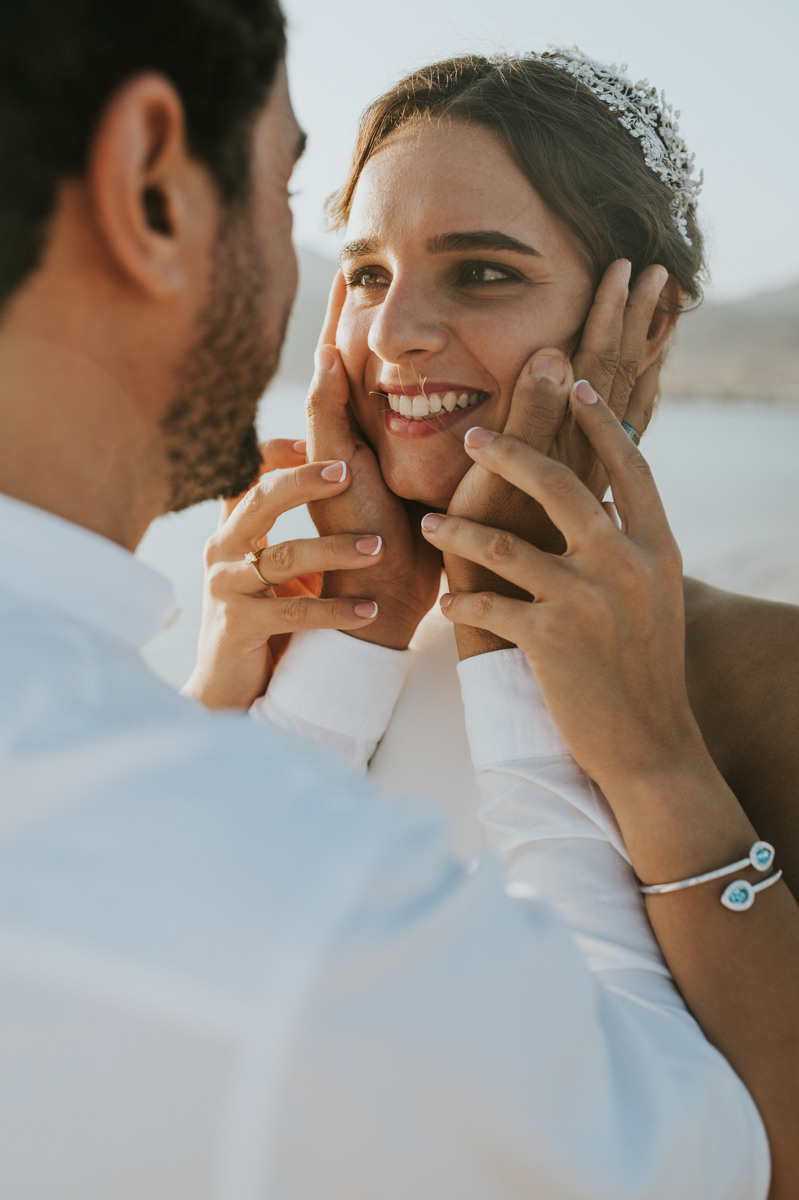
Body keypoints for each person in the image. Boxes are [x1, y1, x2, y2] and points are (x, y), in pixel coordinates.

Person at [0, 5, 785, 1195]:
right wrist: (230, 693)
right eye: (364, 272)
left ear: (647, 321)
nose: (395, 333)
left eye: (482, 272)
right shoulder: (276, 648)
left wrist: (655, 757)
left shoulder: (757, 677)